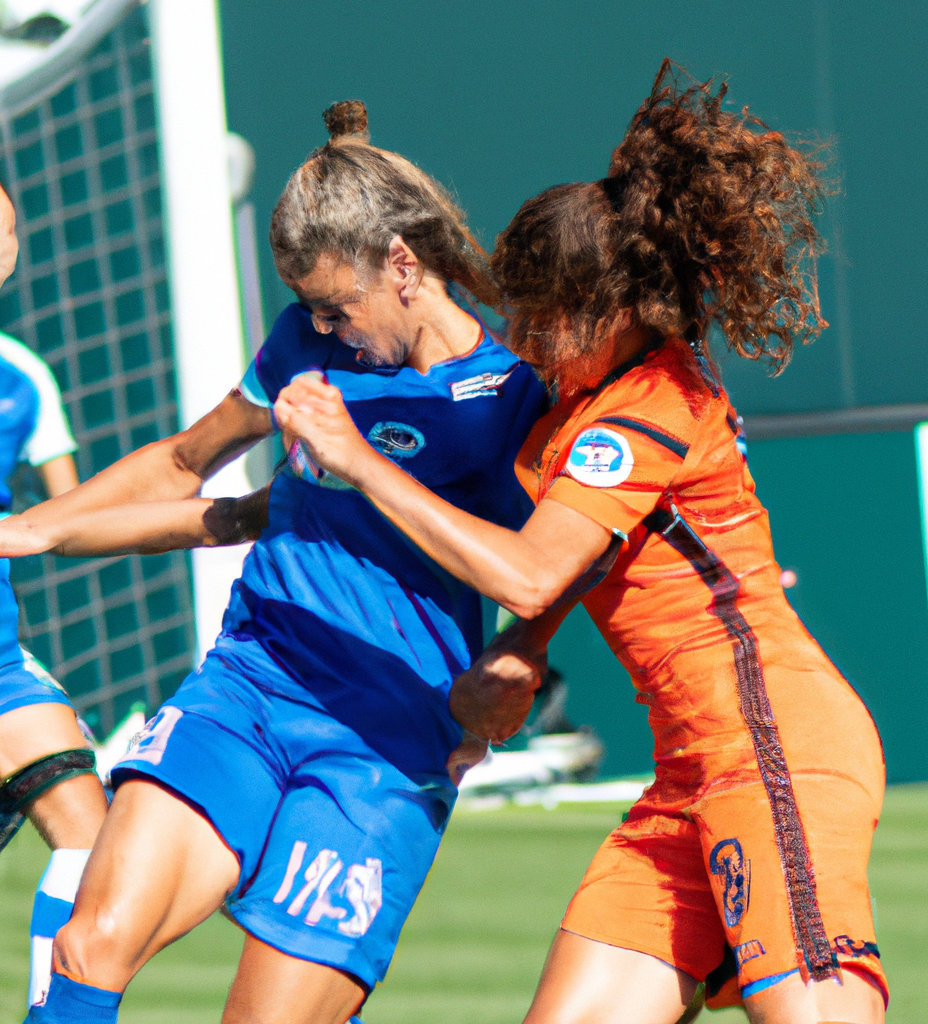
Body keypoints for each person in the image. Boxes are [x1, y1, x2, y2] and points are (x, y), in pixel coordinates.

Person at [273, 65, 888, 1024]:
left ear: (620, 310)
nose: (523, 339)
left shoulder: (648, 403)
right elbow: (584, 566)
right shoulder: (582, 401)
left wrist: (355, 457)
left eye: (546, 318)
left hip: (773, 750)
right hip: (688, 775)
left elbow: (529, 569)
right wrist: (519, 655)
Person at [0, 101, 546, 1024]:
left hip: (384, 741)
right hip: (248, 689)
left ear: (403, 267)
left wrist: (521, 654)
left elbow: (547, 565)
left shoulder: (506, 392)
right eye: (309, 309)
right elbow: (185, 462)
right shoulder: (305, 342)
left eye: (339, 306)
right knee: (89, 941)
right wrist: (34, 529)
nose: (323, 329)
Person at [0, 182, 108, 1009]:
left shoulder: (22, 376)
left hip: (3, 662)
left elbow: (64, 509)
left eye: (6, 233)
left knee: (90, 834)